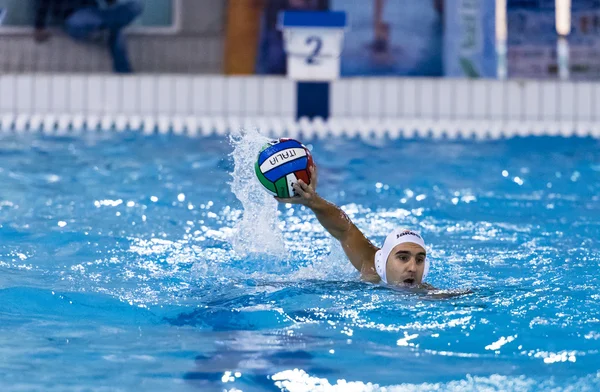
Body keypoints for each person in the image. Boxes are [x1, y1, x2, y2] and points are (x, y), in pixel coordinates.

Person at [275, 165, 432, 288]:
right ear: (383, 261)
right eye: (403, 258)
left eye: (419, 260)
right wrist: (313, 201)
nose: (413, 268)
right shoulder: (372, 269)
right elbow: (345, 229)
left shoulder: (430, 296)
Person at [34, 0, 143, 73]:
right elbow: (45, 2)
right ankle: (111, 23)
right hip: (73, 17)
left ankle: (124, 74)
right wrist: (39, 26)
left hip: (95, 15)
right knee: (111, 23)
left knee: (117, 25)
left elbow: (109, 2)